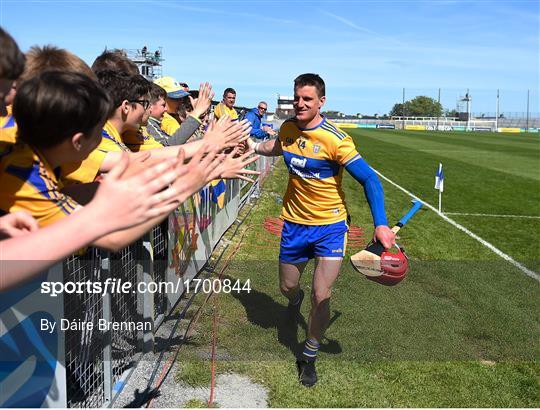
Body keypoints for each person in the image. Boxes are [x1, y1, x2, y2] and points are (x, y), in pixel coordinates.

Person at [247, 73, 395, 387]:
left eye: (307, 99)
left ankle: (310, 355)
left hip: (330, 227)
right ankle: (293, 299)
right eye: (297, 98)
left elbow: (370, 180)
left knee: (321, 294)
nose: (300, 104)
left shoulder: (335, 139)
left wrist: (380, 223)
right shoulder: (288, 128)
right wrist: (249, 145)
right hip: (294, 226)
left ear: (321, 102)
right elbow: (276, 146)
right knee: (288, 287)